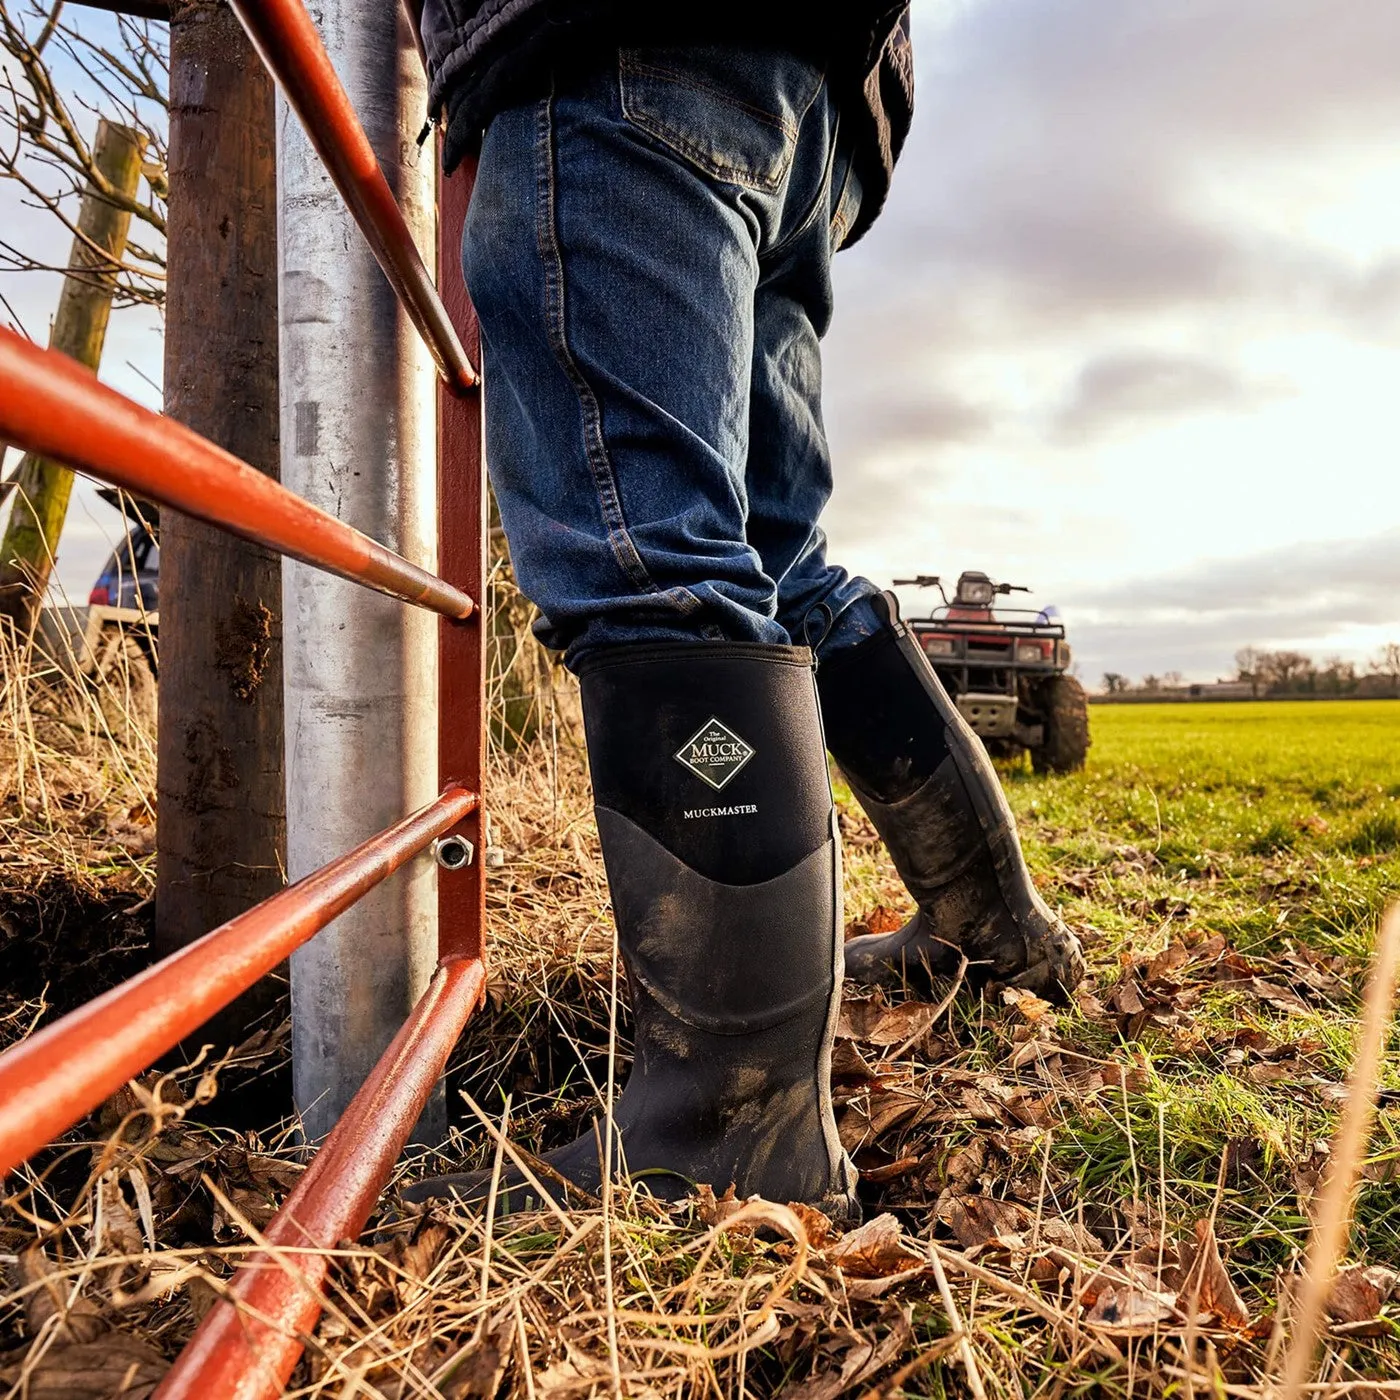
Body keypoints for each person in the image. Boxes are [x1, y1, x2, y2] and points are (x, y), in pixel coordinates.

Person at [405, 4, 1085, 1220]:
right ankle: (988, 919)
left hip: (603, 45)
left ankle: (727, 1134)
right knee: (779, 561)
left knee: (646, 557)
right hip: (820, 100)